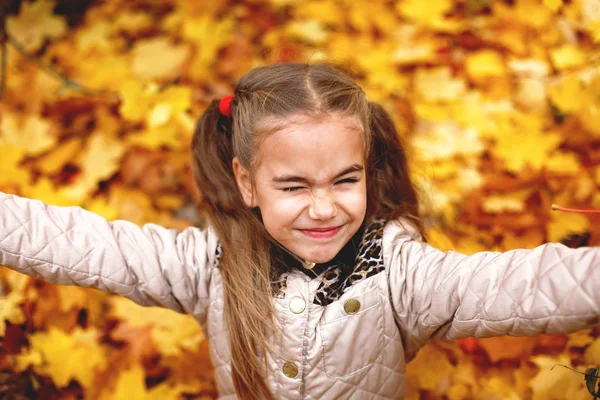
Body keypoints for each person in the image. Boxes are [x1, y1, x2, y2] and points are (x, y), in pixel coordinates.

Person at [0, 62, 599, 400]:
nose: (324, 209)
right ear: (246, 183)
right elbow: (82, 244)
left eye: (345, 180)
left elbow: (521, 285)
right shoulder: (209, 261)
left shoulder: (400, 273)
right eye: (294, 187)